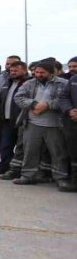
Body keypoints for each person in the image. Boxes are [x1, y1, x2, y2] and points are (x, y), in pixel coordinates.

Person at [12, 62, 69, 185]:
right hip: (32, 124)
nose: (38, 75)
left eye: (42, 73)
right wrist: (33, 104)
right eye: (37, 72)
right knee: (30, 151)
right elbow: (18, 97)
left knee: (58, 153)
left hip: (55, 125)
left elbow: (66, 100)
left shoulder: (63, 84)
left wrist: (48, 105)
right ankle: (27, 176)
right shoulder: (29, 83)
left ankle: (60, 178)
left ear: (51, 73)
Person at [0, 61, 28, 176]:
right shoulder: (7, 83)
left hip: (22, 121)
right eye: (11, 71)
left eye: (16, 71)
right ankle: (3, 166)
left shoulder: (29, 84)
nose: (12, 73)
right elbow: (0, 99)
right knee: (5, 145)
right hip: (7, 120)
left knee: (21, 147)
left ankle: (18, 170)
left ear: (24, 71)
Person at [57, 64, 77, 192]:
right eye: (70, 66)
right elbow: (63, 97)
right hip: (72, 122)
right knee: (73, 153)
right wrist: (69, 110)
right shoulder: (74, 79)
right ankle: (75, 182)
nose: (72, 68)